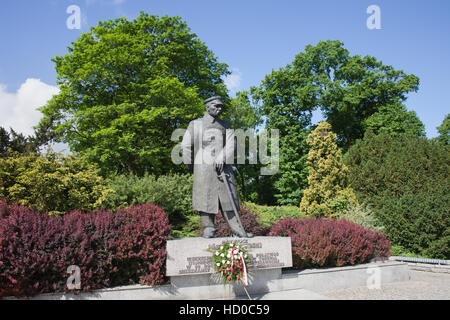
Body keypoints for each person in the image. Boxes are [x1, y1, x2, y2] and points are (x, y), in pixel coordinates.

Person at [181, 96, 252, 238]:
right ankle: (208, 228)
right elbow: (186, 146)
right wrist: (192, 168)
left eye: (221, 107)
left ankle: (238, 230)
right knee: (204, 198)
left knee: (228, 198)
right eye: (216, 106)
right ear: (207, 107)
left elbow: (232, 143)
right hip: (203, 168)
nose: (219, 109)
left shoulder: (226, 125)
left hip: (223, 168)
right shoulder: (195, 124)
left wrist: (223, 156)